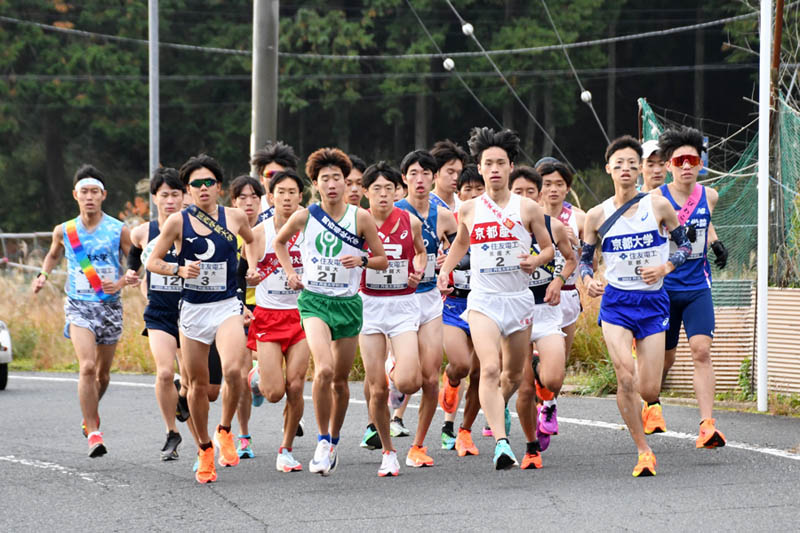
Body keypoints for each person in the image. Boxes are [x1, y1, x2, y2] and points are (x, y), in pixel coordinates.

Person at [438, 127, 554, 470]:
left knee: (513, 376)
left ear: (511, 166)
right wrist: (445, 270)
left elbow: (547, 248)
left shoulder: (528, 208)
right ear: (480, 165)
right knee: (488, 368)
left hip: (517, 299)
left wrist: (534, 260)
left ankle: (495, 415)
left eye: (501, 163)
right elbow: (461, 242)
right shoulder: (470, 208)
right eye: (488, 163)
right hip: (484, 299)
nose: (494, 169)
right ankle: (502, 442)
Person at [581, 135, 692, 477]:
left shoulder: (657, 206)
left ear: (640, 168)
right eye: (620, 164)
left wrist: (665, 267)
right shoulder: (596, 215)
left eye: (633, 163)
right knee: (624, 376)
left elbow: (685, 246)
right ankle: (643, 450)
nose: (626, 169)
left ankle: (648, 404)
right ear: (609, 170)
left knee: (649, 387)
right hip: (616, 303)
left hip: (654, 301)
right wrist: (589, 280)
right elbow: (585, 261)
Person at [272, 147, 387, 476]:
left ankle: (334, 440)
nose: (333, 184)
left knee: (339, 380)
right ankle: (322, 441)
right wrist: (291, 273)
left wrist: (362, 260)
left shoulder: (360, 217)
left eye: (338, 177)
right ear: (315, 184)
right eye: (326, 179)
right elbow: (280, 243)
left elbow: (381, 259)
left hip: (348, 304)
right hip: (314, 301)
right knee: (321, 370)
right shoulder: (304, 216)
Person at [146, 154, 256, 484]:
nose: (203, 188)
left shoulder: (234, 216)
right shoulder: (177, 222)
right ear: (188, 189)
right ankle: (205, 448)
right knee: (194, 388)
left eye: (209, 182)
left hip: (225, 306)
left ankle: (225, 430)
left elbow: (251, 242)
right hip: (193, 310)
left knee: (235, 369)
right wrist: (179, 269)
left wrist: (250, 268)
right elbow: (152, 262)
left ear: (219, 187)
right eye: (196, 184)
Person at [32, 164, 138, 458]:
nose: (89, 197)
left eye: (94, 191)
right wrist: (43, 275)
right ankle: (93, 432)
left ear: (103, 195)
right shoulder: (64, 230)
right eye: (84, 192)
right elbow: (53, 255)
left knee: (103, 376)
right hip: (78, 305)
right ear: (75, 195)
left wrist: (122, 282)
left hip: (110, 307)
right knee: (87, 367)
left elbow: (134, 263)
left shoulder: (118, 229)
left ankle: (89, 412)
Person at [644, 127, 728, 446]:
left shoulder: (710, 196)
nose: (687, 166)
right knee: (664, 359)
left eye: (693, 159)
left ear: (701, 163)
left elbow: (702, 223)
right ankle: (651, 403)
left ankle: (707, 425)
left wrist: (716, 243)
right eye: (680, 161)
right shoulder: (655, 200)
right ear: (668, 166)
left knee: (701, 350)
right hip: (662, 290)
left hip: (696, 286)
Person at [356, 161, 427, 476]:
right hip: (368, 306)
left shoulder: (409, 221)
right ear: (365, 193)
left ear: (397, 191)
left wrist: (419, 268)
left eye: (388, 188)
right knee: (377, 388)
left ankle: (394, 368)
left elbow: (422, 252)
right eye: (376, 189)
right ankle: (388, 451)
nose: (383, 195)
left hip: (401, 305)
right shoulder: (357, 222)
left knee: (410, 380)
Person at [395, 149, 458, 467]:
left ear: (434, 178)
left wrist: (448, 265)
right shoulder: (393, 212)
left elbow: (462, 246)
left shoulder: (444, 216)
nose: (420, 180)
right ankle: (394, 371)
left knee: (432, 378)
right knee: (409, 380)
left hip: (430, 299)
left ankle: (418, 445)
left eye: (426, 174)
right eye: (413, 174)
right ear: (404, 178)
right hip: (396, 300)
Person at [510, 166, 576, 468]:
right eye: (518, 192)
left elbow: (571, 259)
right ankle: (531, 446)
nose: (524, 198)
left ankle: (539, 373)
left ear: (538, 195)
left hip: (546, 309)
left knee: (553, 377)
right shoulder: (500, 229)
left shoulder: (555, 227)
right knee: (522, 389)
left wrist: (559, 280)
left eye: (530, 192)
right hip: (515, 312)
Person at [245, 169, 311, 472]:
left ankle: (286, 449)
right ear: (270, 197)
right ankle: (257, 378)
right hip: (269, 316)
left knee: (296, 386)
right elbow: (247, 275)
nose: (286, 198)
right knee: (274, 393)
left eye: (292, 192)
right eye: (280, 192)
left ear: (301, 196)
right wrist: (250, 284)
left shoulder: (311, 227)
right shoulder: (259, 233)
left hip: (303, 314)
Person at [129, 168, 186, 460]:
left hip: (190, 309)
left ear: (183, 196)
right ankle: (171, 432)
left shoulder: (192, 228)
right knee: (164, 371)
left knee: (193, 380)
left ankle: (184, 393)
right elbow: (133, 254)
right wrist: (130, 272)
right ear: (154, 199)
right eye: (164, 195)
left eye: (176, 194)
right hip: (159, 311)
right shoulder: (144, 232)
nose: (170, 201)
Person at [534, 160, 586, 444]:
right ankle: (532, 412)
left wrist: (574, 242)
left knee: (557, 364)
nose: (553, 189)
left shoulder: (579, 217)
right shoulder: (528, 214)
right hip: (532, 296)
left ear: (568, 188)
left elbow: (590, 256)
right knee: (530, 361)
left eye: (559, 184)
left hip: (566, 294)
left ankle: (548, 407)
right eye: (547, 183)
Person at [440, 165, 484, 457]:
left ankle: (464, 431)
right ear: (458, 194)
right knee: (461, 365)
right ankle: (452, 381)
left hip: (483, 303)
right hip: (454, 305)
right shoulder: (449, 222)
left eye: (477, 188)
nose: (472, 193)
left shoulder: (498, 224)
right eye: (466, 189)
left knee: (481, 373)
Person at [229, 175, 265, 459]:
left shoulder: (273, 229)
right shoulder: (229, 233)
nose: (249, 202)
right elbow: (233, 276)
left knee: (264, 377)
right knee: (239, 376)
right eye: (242, 197)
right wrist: (240, 305)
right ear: (233, 202)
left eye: (254, 196)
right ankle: (243, 435)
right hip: (239, 311)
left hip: (271, 311)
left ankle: (259, 382)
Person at [251, 140, 300, 220]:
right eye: (269, 174)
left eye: (280, 175)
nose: (274, 179)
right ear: (261, 179)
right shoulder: (252, 210)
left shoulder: (301, 214)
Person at [430, 139, 470, 211]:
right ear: (436, 172)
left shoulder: (463, 206)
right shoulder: (424, 204)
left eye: (459, 173)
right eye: (450, 172)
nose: (456, 177)